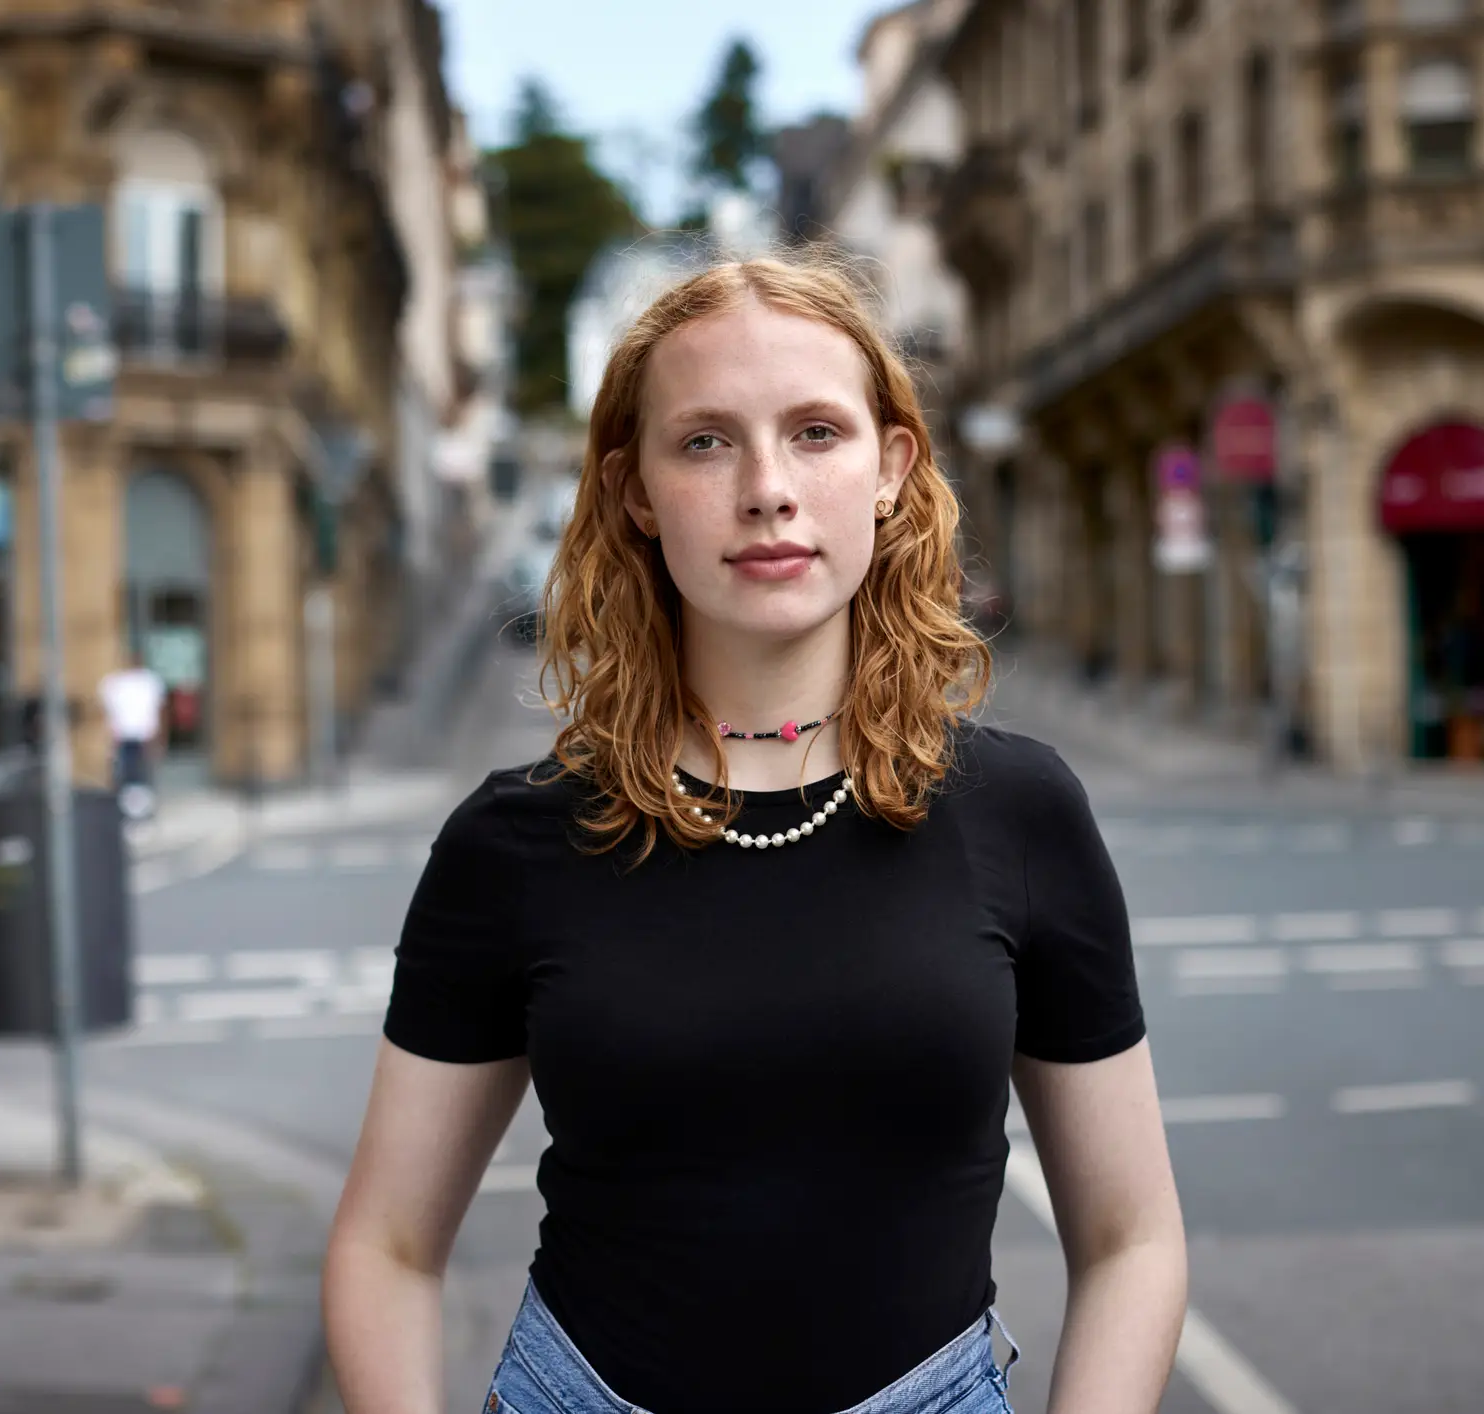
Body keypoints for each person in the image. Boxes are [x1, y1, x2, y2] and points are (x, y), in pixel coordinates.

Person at [323, 257, 1187, 1414]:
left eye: (816, 432)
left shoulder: (1019, 811)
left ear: (890, 469)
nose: (766, 488)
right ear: (635, 493)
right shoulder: (513, 842)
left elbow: (1131, 1237)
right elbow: (384, 1244)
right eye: (705, 442)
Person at [97, 652, 165, 820]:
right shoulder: (115, 683)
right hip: (123, 737)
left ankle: (142, 814)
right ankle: (126, 814)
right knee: (124, 776)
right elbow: (108, 712)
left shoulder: (149, 682)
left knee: (142, 775)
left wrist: (159, 737)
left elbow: (158, 710)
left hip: (143, 736)